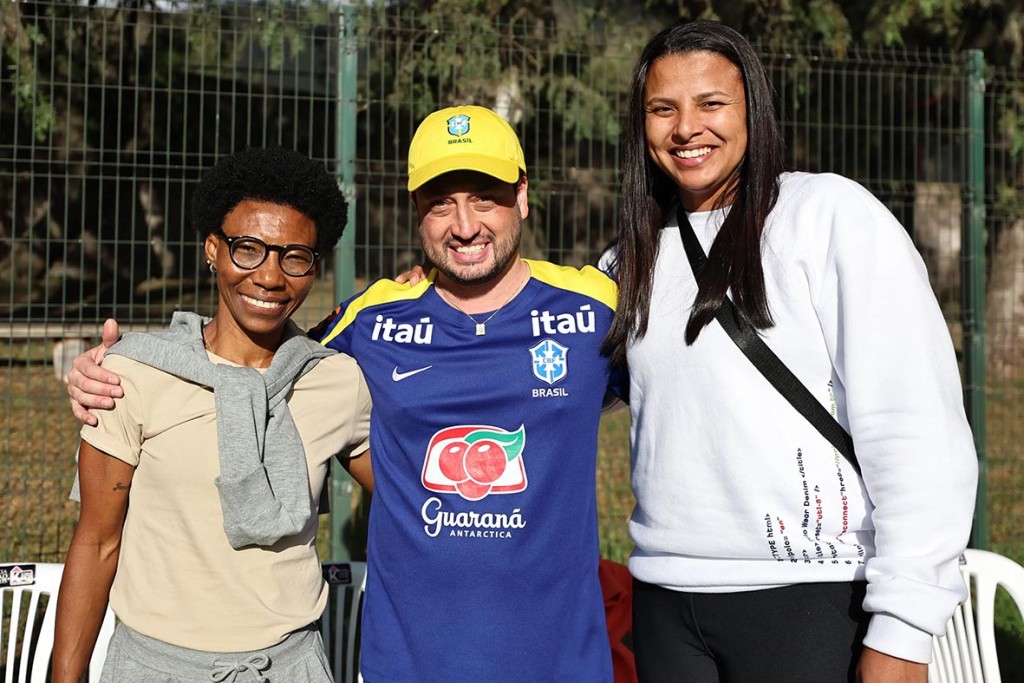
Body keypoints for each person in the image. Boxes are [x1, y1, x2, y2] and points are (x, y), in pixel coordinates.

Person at [66, 105, 619, 682]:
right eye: (440, 203)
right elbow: (259, 350)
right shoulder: (371, 321)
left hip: (562, 662)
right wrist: (113, 367)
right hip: (405, 665)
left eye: (484, 198)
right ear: (417, 209)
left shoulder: (599, 308)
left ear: (522, 196)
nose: (463, 225)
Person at [600, 21, 978, 682]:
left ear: (753, 108)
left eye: (711, 103)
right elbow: (536, 370)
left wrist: (905, 626)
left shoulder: (827, 216)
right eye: (663, 108)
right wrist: (432, 301)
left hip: (812, 597)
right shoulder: (628, 259)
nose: (686, 128)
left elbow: (913, 427)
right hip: (666, 603)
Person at [53, 147, 371, 683]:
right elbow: (97, 542)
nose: (270, 277)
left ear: (315, 268)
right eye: (248, 249)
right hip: (155, 668)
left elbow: (414, 495)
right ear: (212, 250)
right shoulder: (133, 375)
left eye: (295, 257)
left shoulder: (336, 381)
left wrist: (432, 293)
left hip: (290, 666)